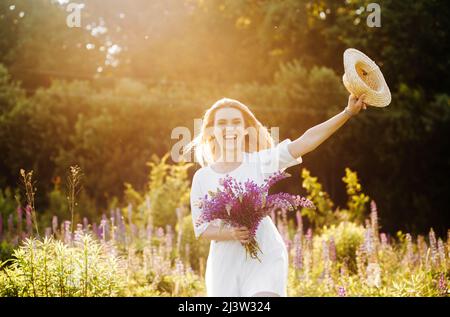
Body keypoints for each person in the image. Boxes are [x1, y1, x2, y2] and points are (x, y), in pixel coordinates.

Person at [186, 94, 366, 297]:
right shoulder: (202, 177)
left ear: (245, 129)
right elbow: (201, 229)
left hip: (264, 254)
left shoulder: (261, 161)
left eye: (236, 122)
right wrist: (232, 233)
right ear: (211, 131)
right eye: (222, 123)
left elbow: (306, 140)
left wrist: (347, 112)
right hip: (225, 265)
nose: (229, 128)